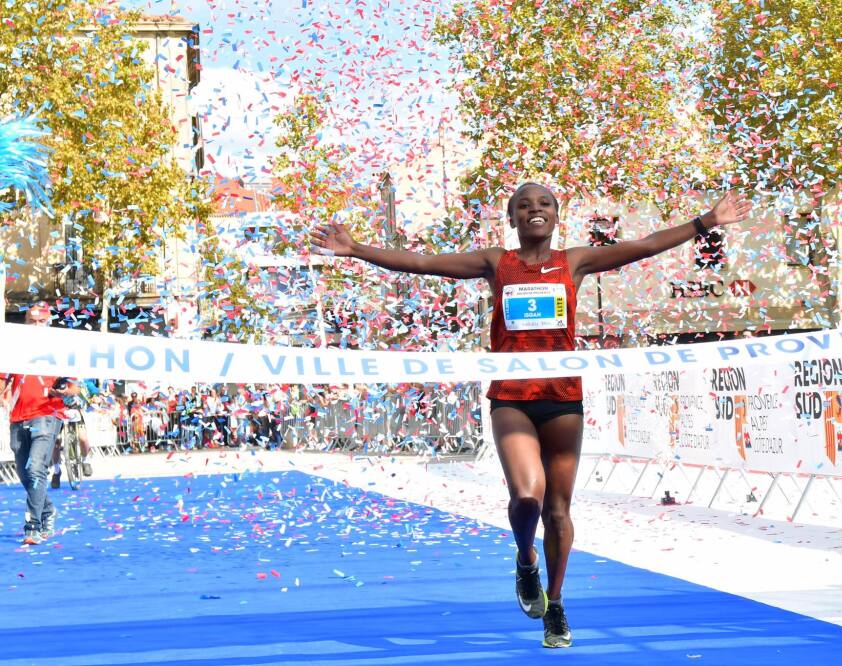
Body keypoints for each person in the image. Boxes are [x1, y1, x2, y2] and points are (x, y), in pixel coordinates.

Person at [310, 183, 752, 648]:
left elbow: (643, 246)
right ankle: (526, 561)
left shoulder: (574, 262)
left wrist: (707, 221)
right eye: (523, 205)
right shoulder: (495, 263)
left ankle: (554, 605)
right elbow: (422, 263)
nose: (534, 210)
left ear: (557, 215)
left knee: (558, 511)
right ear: (512, 218)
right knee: (526, 498)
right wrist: (356, 249)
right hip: (512, 397)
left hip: (563, 398)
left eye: (543, 204)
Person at [0, 303, 81, 545]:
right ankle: (48, 510)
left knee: (36, 469)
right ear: (26, 322)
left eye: (41, 321)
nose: (36, 325)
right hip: (18, 416)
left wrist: (64, 391)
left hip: (47, 414)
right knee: (24, 474)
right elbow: (3, 380)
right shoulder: (13, 349)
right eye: (32, 321)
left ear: (48, 323)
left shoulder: (60, 349)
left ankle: (32, 527)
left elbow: (75, 387)